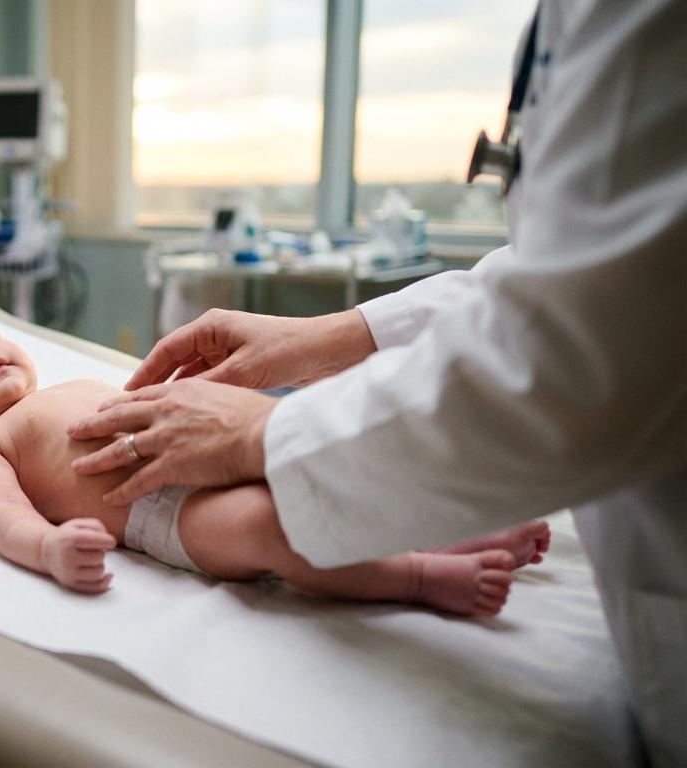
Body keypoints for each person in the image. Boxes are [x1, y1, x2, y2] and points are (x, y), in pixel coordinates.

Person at [66, 2, 685, 764]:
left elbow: (590, 336)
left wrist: (260, 431)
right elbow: (564, 279)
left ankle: (434, 548)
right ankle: (424, 564)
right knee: (267, 525)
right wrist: (322, 342)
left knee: (280, 503)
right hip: (170, 516)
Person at [0, 308, 551, 615]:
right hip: (167, 512)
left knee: (328, 462)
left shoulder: (72, 385)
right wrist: (49, 549)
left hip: (212, 449)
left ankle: (447, 530)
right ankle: (417, 576)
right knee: (270, 524)